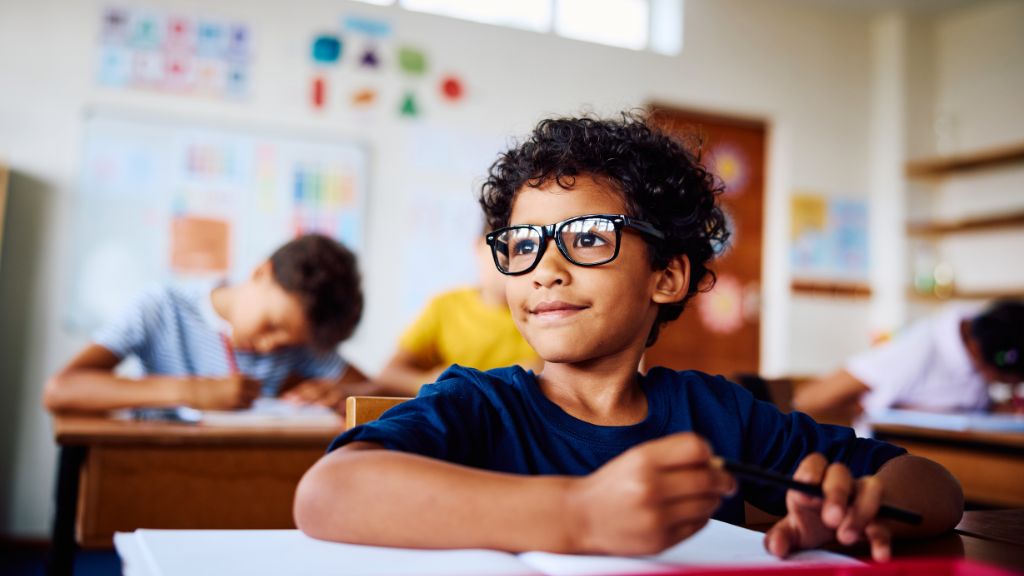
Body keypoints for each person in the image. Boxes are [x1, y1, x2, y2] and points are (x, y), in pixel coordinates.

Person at [294, 112, 962, 560]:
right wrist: (579, 513)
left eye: (586, 238)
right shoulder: (478, 404)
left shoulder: (717, 413)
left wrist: (859, 510)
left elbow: (935, 488)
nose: (544, 270)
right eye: (520, 244)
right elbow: (326, 494)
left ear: (668, 277)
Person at [44, 234, 371, 413]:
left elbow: (374, 393)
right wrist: (190, 391)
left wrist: (341, 395)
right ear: (260, 273)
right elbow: (62, 389)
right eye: (272, 325)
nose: (271, 345)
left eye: (288, 343)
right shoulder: (161, 308)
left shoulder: (301, 344)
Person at [792, 300, 1024, 426]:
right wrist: (868, 408)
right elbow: (808, 399)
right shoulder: (917, 351)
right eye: (1008, 380)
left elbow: (974, 403)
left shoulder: (984, 334)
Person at [376, 227, 540, 396]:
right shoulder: (445, 307)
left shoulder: (545, 314)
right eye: (503, 246)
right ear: (478, 246)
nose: (512, 260)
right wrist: (434, 383)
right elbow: (388, 375)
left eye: (525, 249)